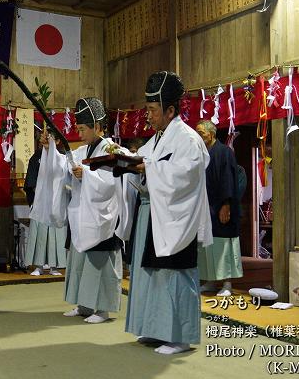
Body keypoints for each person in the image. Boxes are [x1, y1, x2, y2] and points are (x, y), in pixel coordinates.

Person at [125, 71, 212, 355]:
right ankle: (155, 329)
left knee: (176, 273)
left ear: (170, 109)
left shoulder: (187, 138)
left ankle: (179, 337)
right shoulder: (157, 139)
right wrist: (128, 165)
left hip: (178, 216)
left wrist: (148, 168)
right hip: (154, 214)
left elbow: (186, 176)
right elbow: (145, 166)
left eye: (152, 109)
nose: (147, 115)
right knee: (154, 273)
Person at [38, 97, 134, 324]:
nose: (79, 134)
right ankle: (83, 304)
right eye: (78, 128)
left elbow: (111, 183)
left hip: (103, 218)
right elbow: (64, 164)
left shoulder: (112, 150)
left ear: (98, 127)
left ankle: (102, 309)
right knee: (79, 262)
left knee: (100, 263)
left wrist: (87, 175)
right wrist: (49, 146)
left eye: (83, 129)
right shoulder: (83, 150)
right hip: (81, 215)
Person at [195, 120, 243, 297]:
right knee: (207, 244)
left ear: (212, 134)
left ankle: (227, 283)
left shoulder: (224, 152)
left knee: (223, 245)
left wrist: (226, 204)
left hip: (222, 205)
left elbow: (228, 180)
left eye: (202, 133)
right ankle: (209, 280)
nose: (199, 136)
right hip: (205, 207)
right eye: (197, 133)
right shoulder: (200, 153)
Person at [24, 127, 66, 276]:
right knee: (39, 234)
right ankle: (39, 266)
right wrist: (39, 195)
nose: (45, 141)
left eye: (49, 138)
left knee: (56, 234)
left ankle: (55, 266)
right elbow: (30, 182)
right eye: (44, 138)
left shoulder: (62, 158)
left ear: (58, 141)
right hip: (41, 201)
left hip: (56, 201)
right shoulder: (36, 157)